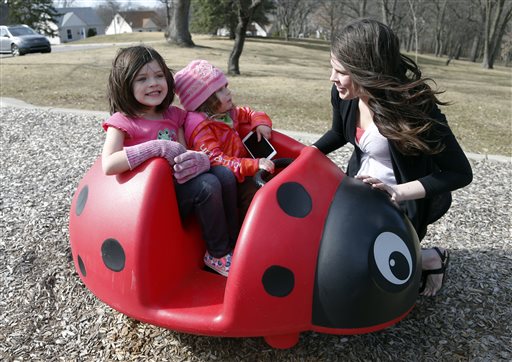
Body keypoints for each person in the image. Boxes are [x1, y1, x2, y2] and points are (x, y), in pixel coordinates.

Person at [313, 18, 473, 297]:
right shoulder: (343, 94)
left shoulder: (415, 107)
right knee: (329, 254)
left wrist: (398, 192)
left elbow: (459, 172)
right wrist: (304, 157)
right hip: (359, 193)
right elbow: (337, 133)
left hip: (397, 203)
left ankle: (430, 258)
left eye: (340, 71)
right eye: (332, 67)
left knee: (362, 267)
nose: (332, 78)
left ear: (366, 70)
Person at [101, 46, 234, 277]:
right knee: (207, 186)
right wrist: (157, 147)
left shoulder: (173, 115)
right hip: (152, 202)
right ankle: (217, 254)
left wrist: (200, 160)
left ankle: (234, 240)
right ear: (125, 84)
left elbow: (185, 152)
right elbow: (109, 163)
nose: (153, 83)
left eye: (159, 75)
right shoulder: (122, 121)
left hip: (180, 189)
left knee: (224, 175)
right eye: (142, 78)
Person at [174, 59, 275, 225]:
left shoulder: (227, 113)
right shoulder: (200, 127)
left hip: (240, 171)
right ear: (204, 101)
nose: (228, 92)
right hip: (220, 180)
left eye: (225, 86)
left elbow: (250, 112)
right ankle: (245, 238)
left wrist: (261, 122)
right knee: (254, 195)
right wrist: (254, 165)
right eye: (220, 90)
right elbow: (216, 160)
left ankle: (267, 228)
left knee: (266, 188)